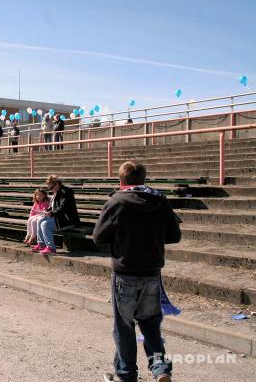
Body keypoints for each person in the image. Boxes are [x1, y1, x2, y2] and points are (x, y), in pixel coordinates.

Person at [94, 161, 180, 382]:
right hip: (152, 272)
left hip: (125, 272)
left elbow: (98, 237)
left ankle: (126, 375)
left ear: (121, 180)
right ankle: (160, 369)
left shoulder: (116, 202)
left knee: (124, 326)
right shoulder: (160, 200)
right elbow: (174, 235)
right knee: (151, 324)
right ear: (144, 178)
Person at [34, 175, 80, 255]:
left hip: (68, 220)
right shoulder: (57, 193)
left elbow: (63, 208)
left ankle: (51, 248)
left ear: (57, 185)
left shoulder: (66, 192)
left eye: (51, 188)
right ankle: (41, 244)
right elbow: (53, 207)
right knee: (40, 220)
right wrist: (47, 211)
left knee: (45, 224)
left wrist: (51, 213)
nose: (50, 190)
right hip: (60, 218)